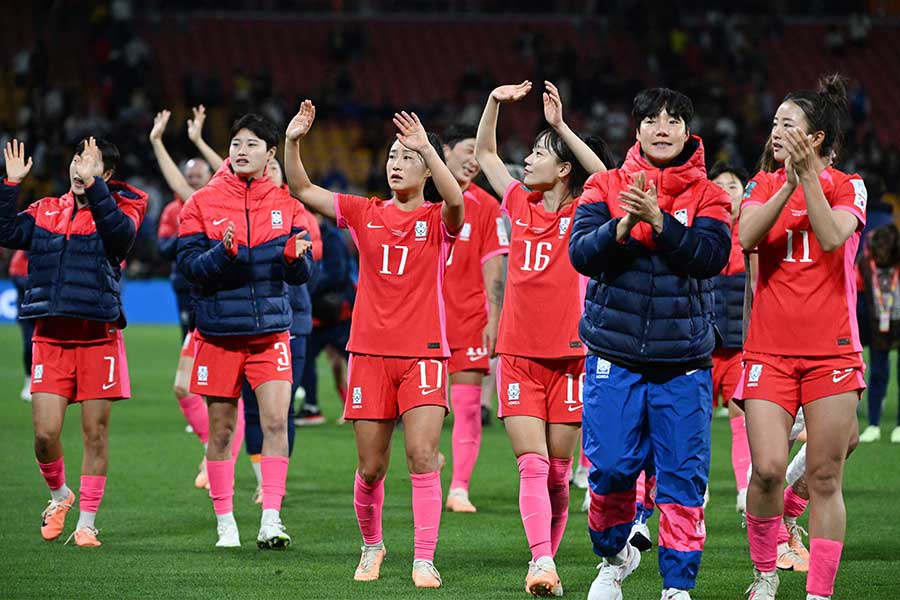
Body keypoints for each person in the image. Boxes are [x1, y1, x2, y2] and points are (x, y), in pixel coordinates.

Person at [284, 100, 463, 588]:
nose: (395, 163)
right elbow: (301, 187)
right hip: (369, 353)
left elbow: (458, 202)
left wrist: (426, 144)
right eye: (391, 157)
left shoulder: (436, 218)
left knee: (423, 457)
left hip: (424, 353)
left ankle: (424, 558)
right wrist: (294, 140)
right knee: (370, 467)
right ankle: (372, 545)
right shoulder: (364, 212)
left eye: (406, 157)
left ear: (426, 168)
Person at [569, 87, 732, 600]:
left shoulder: (710, 196)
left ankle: (677, 587)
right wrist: (623, 225)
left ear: (689, 130)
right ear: (635, 129)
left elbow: (712, 257)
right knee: (612, 469)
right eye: (652, 119)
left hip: (683, 361)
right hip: (612, 356)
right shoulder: (603, 185)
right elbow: (580, 255)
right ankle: (614, 557)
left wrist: (660, 224)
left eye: (674, 119)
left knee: (683, 482)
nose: (662, 127)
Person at [476, 80, 609, 597]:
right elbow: (487, 152)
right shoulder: (517, 202)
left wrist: (560, 128)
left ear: (564, 168)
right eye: (530, 151)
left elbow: (609, 177)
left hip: (573, 358)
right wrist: (492, 102)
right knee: (531, 463)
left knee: (557, 473)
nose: (526, 161)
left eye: (538, 153)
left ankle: (546, 558)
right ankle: (542, 562)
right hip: (518, 356)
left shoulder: (587, 211)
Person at [737, 75, 867, 600]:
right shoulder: (760, 185)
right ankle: (766, 576)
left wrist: (809, 177)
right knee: (767, 470)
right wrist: (787, 181)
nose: (775, 132)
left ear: (814, 138)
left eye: (787, 125)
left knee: (824, 478)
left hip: (831, 351)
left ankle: (818, 593)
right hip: (768, 349)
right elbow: (745, 237)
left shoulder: (848, 184)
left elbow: (834, 235)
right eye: (773, 123)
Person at [0, 138, 148, 547]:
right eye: (77, 160)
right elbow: (7, 231)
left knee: (94, 434)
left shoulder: (124, 207)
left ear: (107, 173)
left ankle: (87, 522)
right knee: (45, 436)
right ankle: (60, 496)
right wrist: (10, 186)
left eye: (91, 163)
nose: (80, 168)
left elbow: (118, 239)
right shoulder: (47, 209)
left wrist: (96, 186)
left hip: (98, 338)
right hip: (50, 338)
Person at [177, 114, 314, 549]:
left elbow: (299, 275)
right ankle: (225, 524)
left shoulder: (287, 205)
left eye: (252, 144)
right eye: (236, 143)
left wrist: (295, 260)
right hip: (218, 335)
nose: (241, 150)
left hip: (270, 333)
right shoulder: (201, 203)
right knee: (220, 433)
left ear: (270, 155)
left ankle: (271, 518)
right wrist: (223, 253)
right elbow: (189, 269)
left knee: (275, 423)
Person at [149, 109, 227, 490]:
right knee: (184, 386)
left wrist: (198, 142)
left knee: (238, 403)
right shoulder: (206, 205)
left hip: (240, 317)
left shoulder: (256, 204)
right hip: (207, 311)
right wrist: (158, 143)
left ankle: (228, 470)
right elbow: (181, 186)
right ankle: (209, 451)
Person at [241, 157, 321, 503]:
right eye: (266, 167)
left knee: (282, 408)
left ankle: (277, 479)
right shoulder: (242, 209)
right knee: (251, 407)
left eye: (276, 167)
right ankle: (262, 478)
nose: (270, 172)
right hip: (251, 321)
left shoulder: (296, 212)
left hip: (294, 320)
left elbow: (311, 267)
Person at [441, 123, 509, 513]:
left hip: (468, 318)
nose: (472, 159)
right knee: (425, 408)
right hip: (422, 320)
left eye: (477, 153)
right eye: (466, 149)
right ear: (445, 150)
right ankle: (428, 466)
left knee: (467, 407)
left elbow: (494, 265)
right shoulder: (421, 196)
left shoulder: (487, 206)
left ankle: (459, 488)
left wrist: (493, 317)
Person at [708, 161, 754, 514]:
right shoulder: (702, 230)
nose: (726, 191)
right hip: (703, 348)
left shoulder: (754, 231)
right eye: (719, 185)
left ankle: (744, 490)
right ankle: (697, 488)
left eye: (733, 185)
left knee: (742, 420)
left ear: (744, 192)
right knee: (694, 421)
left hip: (740, 347)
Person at [858, 226, 900, 444]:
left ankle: (899, 426)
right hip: (877, 328)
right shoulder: (865, 264)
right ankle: (873, 425)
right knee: (876, 375)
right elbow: (855, 293)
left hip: (898, 323)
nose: (882, 252)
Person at [9, 248, 33, 401]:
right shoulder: (21, 254)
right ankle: (29, 381)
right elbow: (16, 277)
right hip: (28, 312)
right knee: (29, 347)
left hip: (48, 310)